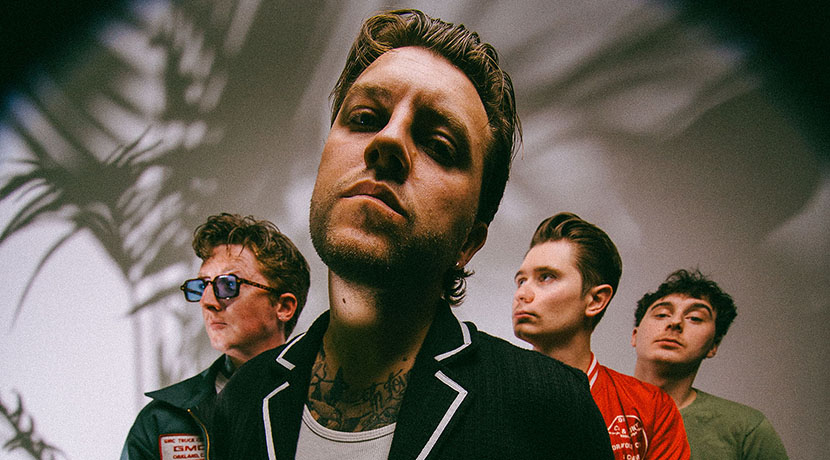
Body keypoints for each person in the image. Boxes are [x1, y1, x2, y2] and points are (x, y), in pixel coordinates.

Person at [202, 9, 614, 460]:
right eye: (365, 118)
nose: (388, 141)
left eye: (439, 145)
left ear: (468, 242)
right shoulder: (241, 400)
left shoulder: (550, 408)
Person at [120, 213, 311, 460]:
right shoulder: (162, 420)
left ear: (283, 307)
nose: (207, 301)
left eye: (228, 285)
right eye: (201, 287)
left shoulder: (324, 404)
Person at [512, 212, 690, 460]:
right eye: (521, 281)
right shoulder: (487, 390)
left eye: (546, 277)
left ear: (595, 300)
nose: (522, 294)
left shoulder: (651, 407)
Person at [632, 269, 788, 460]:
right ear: (635, 335)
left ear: (713, 346)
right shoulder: (597, 407)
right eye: (662, 314)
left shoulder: (746, 429)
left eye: (695, 318)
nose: (675, 322)